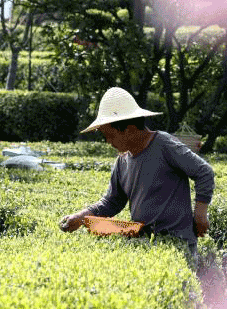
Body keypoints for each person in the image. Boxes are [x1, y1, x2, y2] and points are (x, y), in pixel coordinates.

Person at [60, 87, 216, 259]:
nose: (108, 142)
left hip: (178, 244)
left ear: (129, 128)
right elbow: (112, 201)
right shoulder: (122, 160)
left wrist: (200, 214)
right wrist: (81, 217)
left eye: (110, 135)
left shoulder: (164, 144)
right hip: (145, 243)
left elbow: (204, 172)